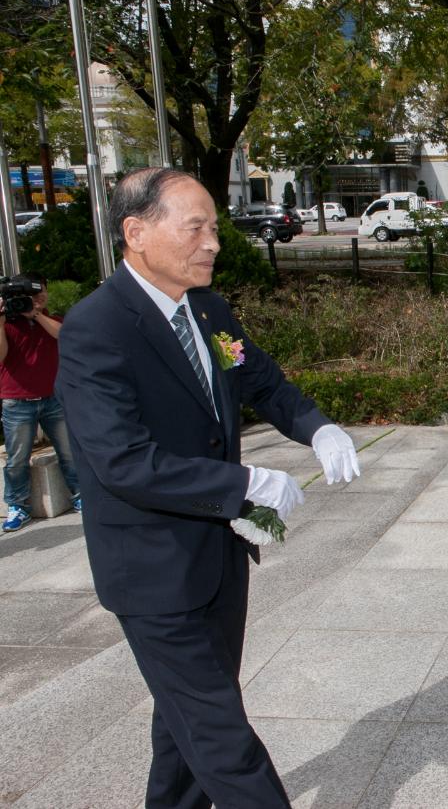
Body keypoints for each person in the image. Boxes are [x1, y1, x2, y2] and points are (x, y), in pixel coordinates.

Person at [56, 167, 362, 809]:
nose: (213, 243)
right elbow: (121, 462)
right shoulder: (97, 328)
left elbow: (260, 382)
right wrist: (245, 480)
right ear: (136, 232)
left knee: (188, 718)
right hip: (152, 568)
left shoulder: (208, 309)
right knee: (221, 733)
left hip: (218, 558)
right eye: (194, 227)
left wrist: (319, 428)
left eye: (214, 228)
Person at [0, 274, 80, 532]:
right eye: (31, 296)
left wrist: (35, 314)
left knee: (69, 451)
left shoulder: (51, 318)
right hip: (17, 400)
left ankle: (80, 495)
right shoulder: (8, 323)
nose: (37, 298)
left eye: (40, 292)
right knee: (16, 459)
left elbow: (64, 336)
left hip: (54, 397)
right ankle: (17, 506)